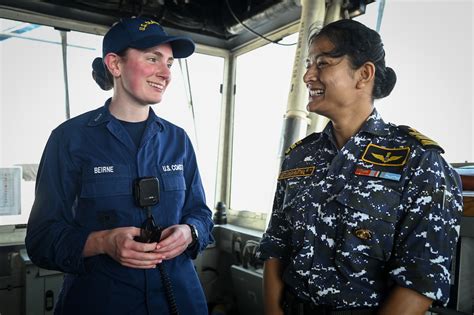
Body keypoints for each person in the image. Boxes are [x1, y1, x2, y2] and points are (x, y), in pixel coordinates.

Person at [257, 19, 463, 315]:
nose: (307, 76)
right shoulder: (299, 157)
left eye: (322, 63)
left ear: (364, 74)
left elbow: (422, 281)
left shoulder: (418, 161)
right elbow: (275, 246)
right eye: (308, 64)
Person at [25, 16, 214, 315]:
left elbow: (202, 214)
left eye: (169, 63)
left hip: (180, 301)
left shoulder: (178, 140)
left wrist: (190, 232)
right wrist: (102, 242)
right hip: (100, 302)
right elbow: (41, 240)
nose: (165, 73)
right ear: (115, 65)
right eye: (153, 58)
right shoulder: (69, 139)